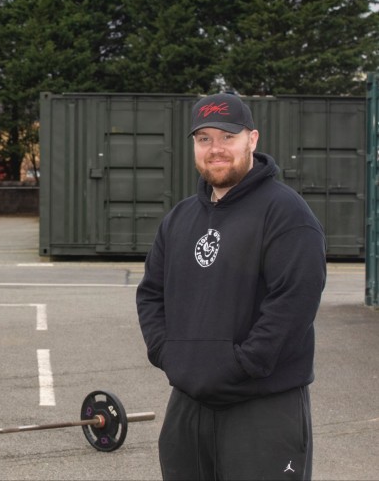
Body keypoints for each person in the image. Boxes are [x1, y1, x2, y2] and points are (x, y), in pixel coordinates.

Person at [136, 92, 326, 480]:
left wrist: (244, 363)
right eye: (204, 138)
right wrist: (167, 352)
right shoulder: (179, 219)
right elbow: (151, 294)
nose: (215, 149)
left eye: (227, 137)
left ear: (252, 140)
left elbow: (293, 303)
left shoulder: (286, 214)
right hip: (188, 405)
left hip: (263, 406)